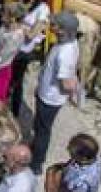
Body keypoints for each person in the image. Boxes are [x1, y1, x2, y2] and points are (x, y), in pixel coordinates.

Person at [30, 11, 82, 167]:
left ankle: (36, 163)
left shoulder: (65, 54)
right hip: (47, 94)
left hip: (49, 99)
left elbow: (66, 84)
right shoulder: (70, 42)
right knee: (40, 127)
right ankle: (36, 150)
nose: (50, 26)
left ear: (63, 31)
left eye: (54, 25)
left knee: (42, 131)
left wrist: (75, 91)